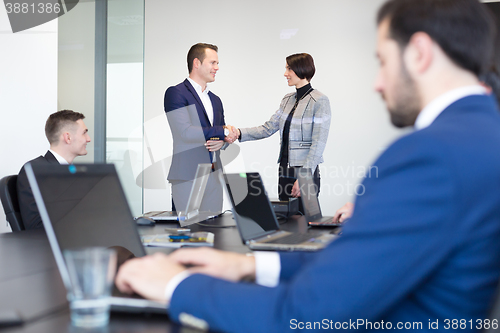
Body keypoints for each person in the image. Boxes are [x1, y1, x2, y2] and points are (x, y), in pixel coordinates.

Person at [116, 1, 500, 332]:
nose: (378, 84)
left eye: (382, 62)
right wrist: (249, 267)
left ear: (419, 52)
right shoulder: (481, 137)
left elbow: (302, 314)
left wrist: (176, 286)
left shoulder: (429, 156)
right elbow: (360, 269)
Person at [232, 53, 331, 211]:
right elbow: (268, 127)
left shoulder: (319, 101)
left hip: (305, 171)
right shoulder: (287, 100)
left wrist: (304, 178)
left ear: (301, 69)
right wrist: (238, 132)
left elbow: (318, 144)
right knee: (286, 219)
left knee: (304, 222)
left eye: (289, 69)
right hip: (285, 170)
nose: (285, 73)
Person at [164, 43, 237, 213]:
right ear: (196, 63)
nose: (217, 68)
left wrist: (223, 142)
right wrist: (224, 132)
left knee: (215, 233)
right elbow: (185, 132)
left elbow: (221, 136)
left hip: (214, 177)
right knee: (189, 233)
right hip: (188, 177)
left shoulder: (216, 100)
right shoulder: (176, 93)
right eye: (213, 63)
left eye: (217, 63)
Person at [17, 110, 91, 230]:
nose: (88, 139)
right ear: (68, 137)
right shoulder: (35, 171)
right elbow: (36, 226)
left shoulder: (75, 173)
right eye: (84, 133)